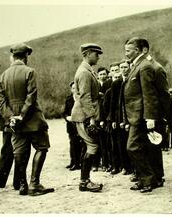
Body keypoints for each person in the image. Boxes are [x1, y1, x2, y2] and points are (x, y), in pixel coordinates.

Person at [0, 43, 54, 196]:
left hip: (13, 123)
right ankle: (34, 184)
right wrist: (22, 115)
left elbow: (0, 100)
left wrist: (10, 117)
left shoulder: (4, 75)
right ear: (25, 56)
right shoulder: (30, 71)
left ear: (13, 57)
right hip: (32, 119)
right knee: (42, 147)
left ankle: (23, 185)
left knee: (19, 152)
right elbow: (31, 96)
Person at [123, 37, 170, 193]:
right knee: (145, 148)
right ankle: (148, 179)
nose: (126, 54)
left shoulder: (145, 66)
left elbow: (149, 94)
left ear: (138, 51)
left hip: (141, 117)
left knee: (133, 148)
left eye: (128, 51)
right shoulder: (139, 65)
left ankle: (148, 179)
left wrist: (150, 117)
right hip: (137, 116)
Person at [71, 43, 103, 192]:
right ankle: (84, 182)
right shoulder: (84, 72)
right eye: (96, 53)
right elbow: (85, 96)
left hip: (84, 114)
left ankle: (85, 180)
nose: (98, 57)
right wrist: (92, 118)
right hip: (84, 115)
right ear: (88, 53)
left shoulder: (87, 70)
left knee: (89, 146)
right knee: (92, 146)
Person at [0, 79, 20, 194]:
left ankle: (16, 183)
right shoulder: (2, 81)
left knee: (15, 152)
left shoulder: (4, 80)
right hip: (11, 124)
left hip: (15, 123)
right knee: (10, 152)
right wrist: (5, 120)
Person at [63, 81, 82, 171]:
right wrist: (67, 117)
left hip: (80, 124)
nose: (75, 90)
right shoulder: (68, 99)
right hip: (71, 125)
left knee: (82, 144)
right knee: (73, 143)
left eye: (77, 88)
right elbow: (64, 112)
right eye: (73, 88)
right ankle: (73, 162)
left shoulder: (82, 99)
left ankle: (80, 162)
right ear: (71, 89)